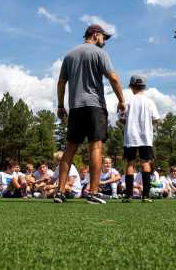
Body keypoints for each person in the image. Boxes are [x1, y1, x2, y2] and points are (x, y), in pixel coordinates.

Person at [55, 24, 127, 204]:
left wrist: (60, 105)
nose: (104, 41)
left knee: (69, 148)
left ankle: (59, 192)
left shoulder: (69, 55)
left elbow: (61, 83)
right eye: (104, 37)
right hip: (95, 106)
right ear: (95, 35)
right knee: (95, 147)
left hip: (75, 108)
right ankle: (93, 192)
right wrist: (121, 100)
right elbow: (114, 78)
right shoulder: (99, 53)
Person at [119, 74, 161, 203]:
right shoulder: (149, 102)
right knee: (145, 163)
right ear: (143, 86)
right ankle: (146, 196)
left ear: (131, 86)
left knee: (130, 163)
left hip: (131, 136)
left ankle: (129, 195)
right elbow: (156, 119)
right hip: (146, 137)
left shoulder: (127, 101)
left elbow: (122, 119)